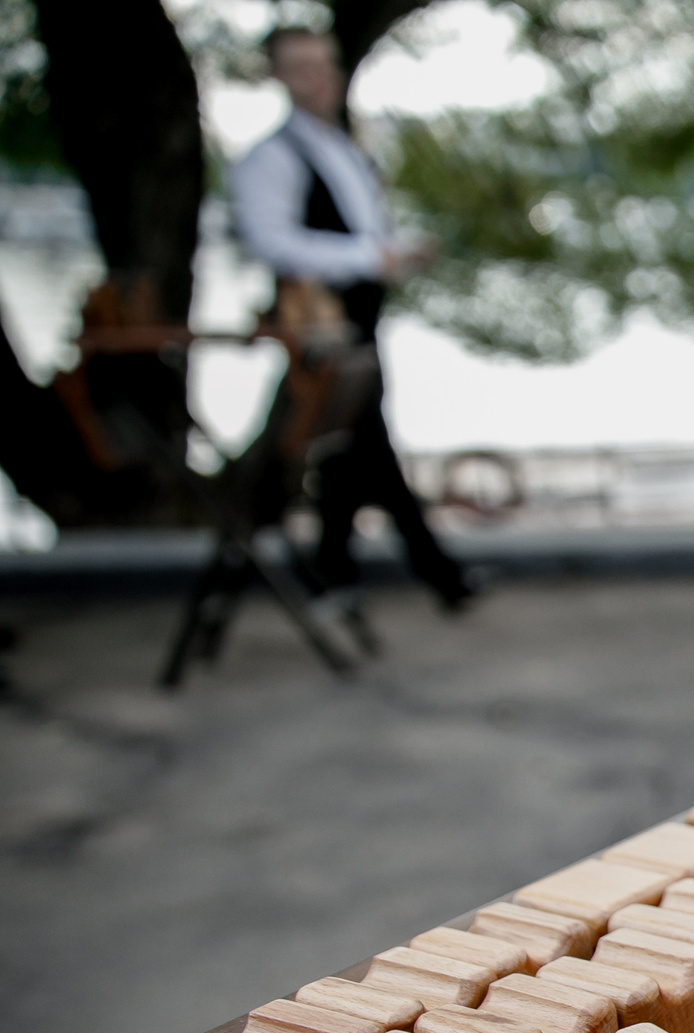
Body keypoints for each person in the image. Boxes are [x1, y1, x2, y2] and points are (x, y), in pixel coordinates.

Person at [232, 26, 472, 612]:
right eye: (303, 66)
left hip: (358, 315)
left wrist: (390, 253)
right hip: (321, 323)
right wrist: (371, 256)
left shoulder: (341, 146)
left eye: (324, 64)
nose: (318, 78)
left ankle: (333, 575)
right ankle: (438, 574)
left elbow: (362, 232)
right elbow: (272, 242)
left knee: (346, 447)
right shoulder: (271, 158)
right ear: (279, 76)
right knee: (364, 439)